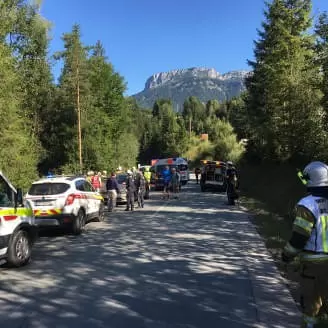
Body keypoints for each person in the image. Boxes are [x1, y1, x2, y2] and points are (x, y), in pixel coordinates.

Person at [282, 161, 328, 328]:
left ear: (310, 181)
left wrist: (286, 255)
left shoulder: (307, 205)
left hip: (314, 265)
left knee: (312, 307)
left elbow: (299, 237)